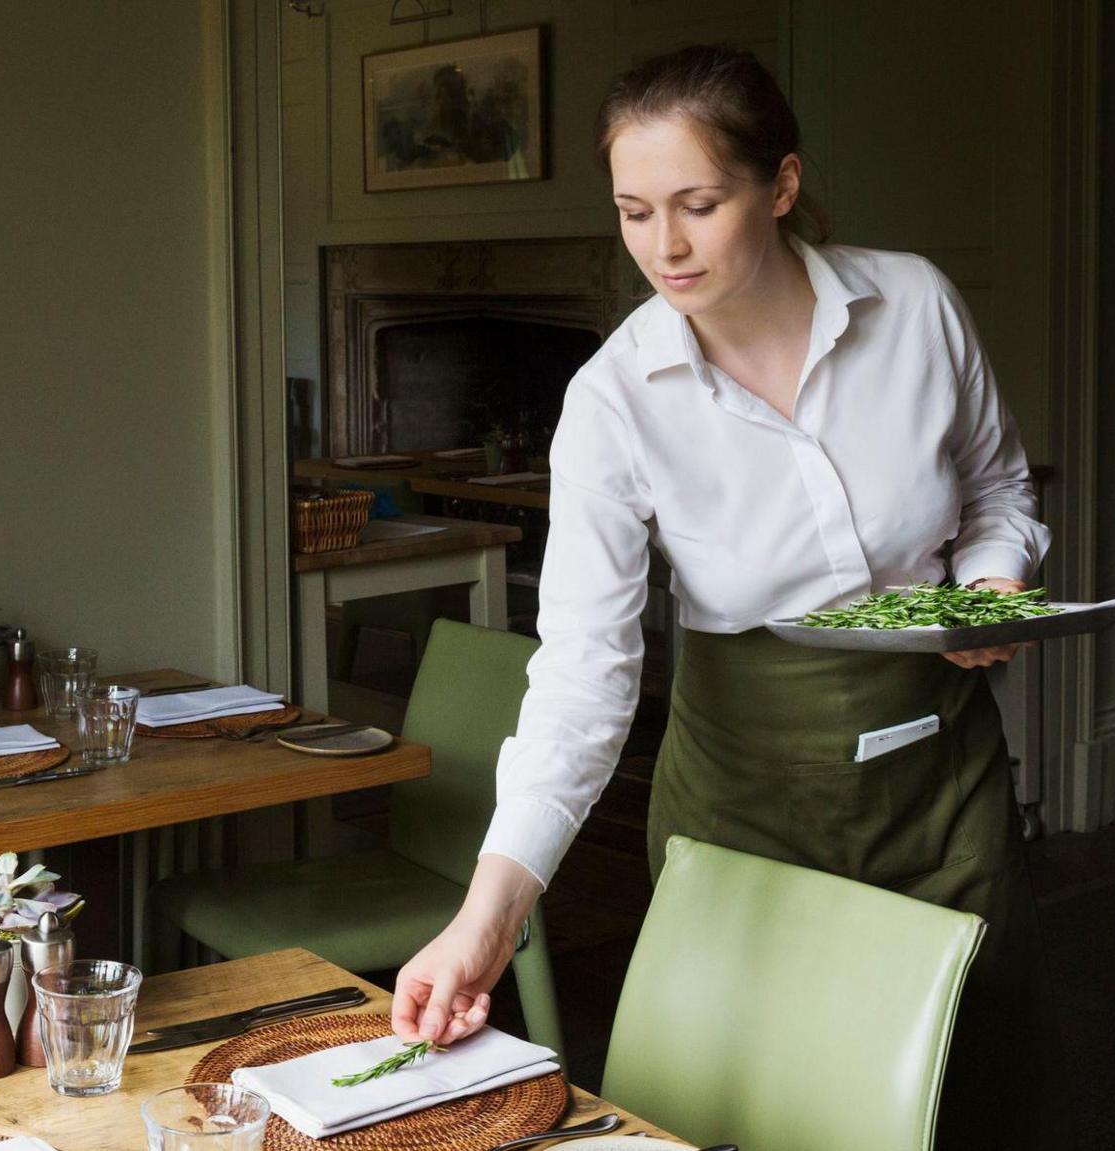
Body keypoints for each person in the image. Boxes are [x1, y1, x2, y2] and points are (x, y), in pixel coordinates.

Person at [389, 44, 1070, 1150]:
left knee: (965, 1096)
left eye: (698, 205)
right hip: (741, 812)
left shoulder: (916, 304)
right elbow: (580, 675)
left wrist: (990, 584)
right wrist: (485, 917)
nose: (662, 245)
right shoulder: (613, 399)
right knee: (744, 1113)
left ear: (781, 186)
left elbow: (997, 488)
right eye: (632, 211)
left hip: (941, 795)